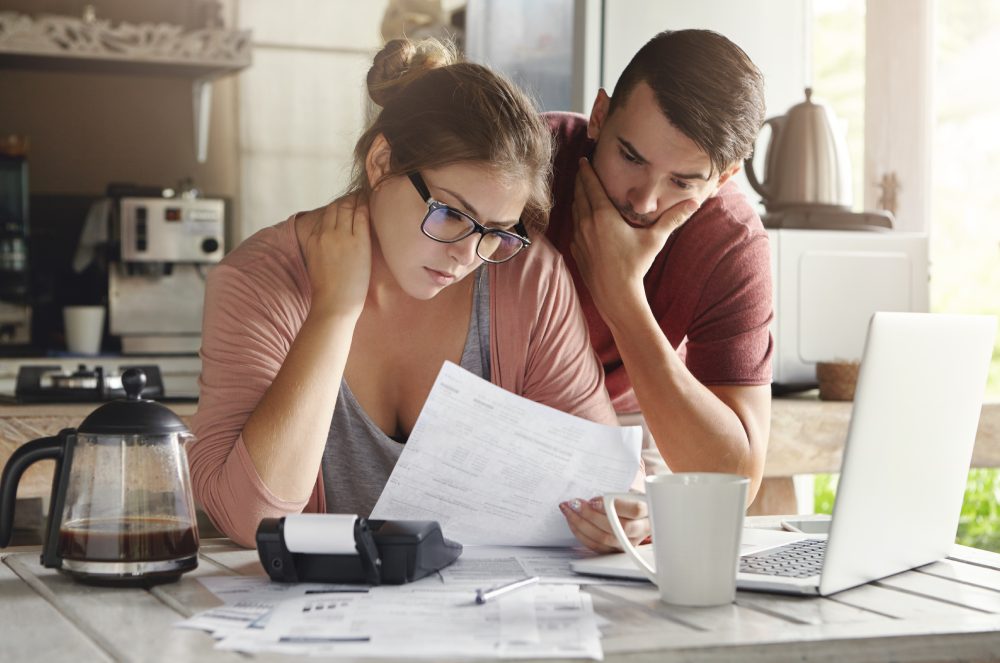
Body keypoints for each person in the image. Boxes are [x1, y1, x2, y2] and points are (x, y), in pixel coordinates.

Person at [188, 38, 647, 550]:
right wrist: (334, 311)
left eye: (495, 230)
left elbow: (604, 479)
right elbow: (251, 519)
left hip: (483, 613)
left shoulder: (527, 276)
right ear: (382, 163)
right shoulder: (259, 282)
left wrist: (625, 514)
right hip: (314, 623)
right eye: (450, 213)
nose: (467, 254)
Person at [548, 30, 774, 550]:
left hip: (633, 416)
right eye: (631, 157)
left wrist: (622, 297)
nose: (646, 201)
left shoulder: (731, 242)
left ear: (724, 177)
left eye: (683, 182)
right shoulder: (526, 161)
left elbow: (734, 483)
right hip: (490, 396)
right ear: (600, 115)